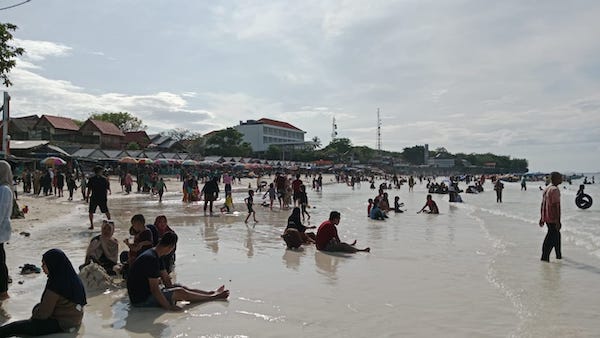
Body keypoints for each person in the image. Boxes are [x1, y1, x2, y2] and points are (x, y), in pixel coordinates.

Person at [126, 232, 229, 310]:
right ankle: (213, 298)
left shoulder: (157, 254)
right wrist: (169, 307)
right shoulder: (151, 259)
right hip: (141, 300)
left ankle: (211, 293)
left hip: (147, 293)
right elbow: (154, 289)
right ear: (171, 247)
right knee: (180, 292)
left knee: (180, 287)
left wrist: (173, 290)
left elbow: (166, 280)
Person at [0, 249, 86, 336]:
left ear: (53, 264)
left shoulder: (55, 284)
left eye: (44, 264)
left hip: (63, 324)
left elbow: (42, 315)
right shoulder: (71, 277)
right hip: (76, 318)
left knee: (14, 327)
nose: (42, 266)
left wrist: (35, 313)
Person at [539, 172, 562, 262]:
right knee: (551, 237)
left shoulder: (547, 188)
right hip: (552, 217)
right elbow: (557, 207)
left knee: (556, 235)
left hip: (547, 216)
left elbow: (542, 204)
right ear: (555, 179)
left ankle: (558, 255)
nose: (561, 179)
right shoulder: (555, 190)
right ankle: (544, 257)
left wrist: (542, 217)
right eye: (560, 178)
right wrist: (558, 221)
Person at [0, 161, 13, 302]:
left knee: (0, 263)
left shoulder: (4, 190)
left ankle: (3, 292)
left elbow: (1, 212)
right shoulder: (4, 188)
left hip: (0, 232)